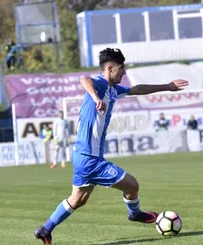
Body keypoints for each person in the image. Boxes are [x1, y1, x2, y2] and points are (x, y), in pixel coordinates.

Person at [33, 48, 189, 244]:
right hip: (89, 158)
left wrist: (167, 86)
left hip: (83, 156)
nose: (123, 73)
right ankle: (135, 214)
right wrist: (96, 98)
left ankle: (45, 229)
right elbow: (84, 80)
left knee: (77, 200)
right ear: (109, 68)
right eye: (121, 69)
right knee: (132, 185)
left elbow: (137, 89)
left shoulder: (113, 90)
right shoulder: (99, 84)